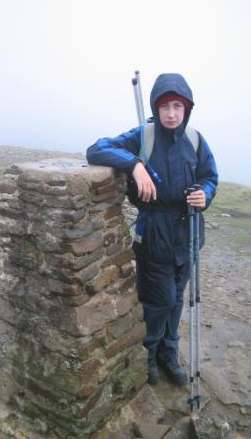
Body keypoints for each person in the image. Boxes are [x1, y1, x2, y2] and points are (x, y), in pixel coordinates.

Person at [86, 73, 218, 386]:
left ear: (186, 109)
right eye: (165, 106)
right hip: (154, 234)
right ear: (155, 108)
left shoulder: (195, 140)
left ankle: (168, 352)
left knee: (177, 298)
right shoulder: (143, 136)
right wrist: (135, 164)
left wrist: (206, 194)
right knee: (160, 300)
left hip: (189, 235)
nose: (171, 113)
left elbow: (210, 176)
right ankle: (149, 352)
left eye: (177, 106)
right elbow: (96, 149)